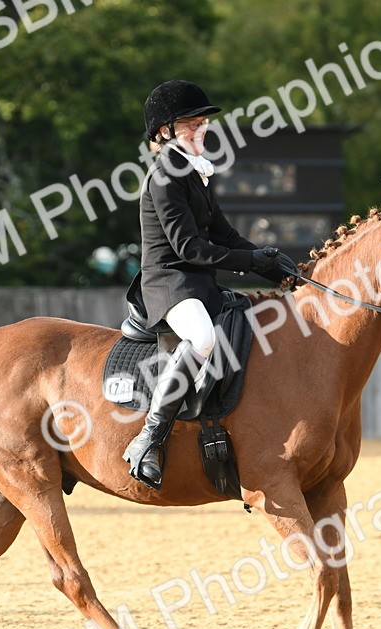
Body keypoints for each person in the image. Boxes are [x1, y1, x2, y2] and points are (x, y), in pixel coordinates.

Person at [123, 79, 296, 489]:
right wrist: (249, 262)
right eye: (191, 123)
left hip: (198, 284)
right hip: (169, 284)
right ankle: (149, 438)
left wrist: (275, 267)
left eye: (202, 122)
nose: (201, 129)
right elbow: (188, 247)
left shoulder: (194, 172)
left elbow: (225, 235)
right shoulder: (165, 176)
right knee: (202, 338)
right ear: (164, 131)